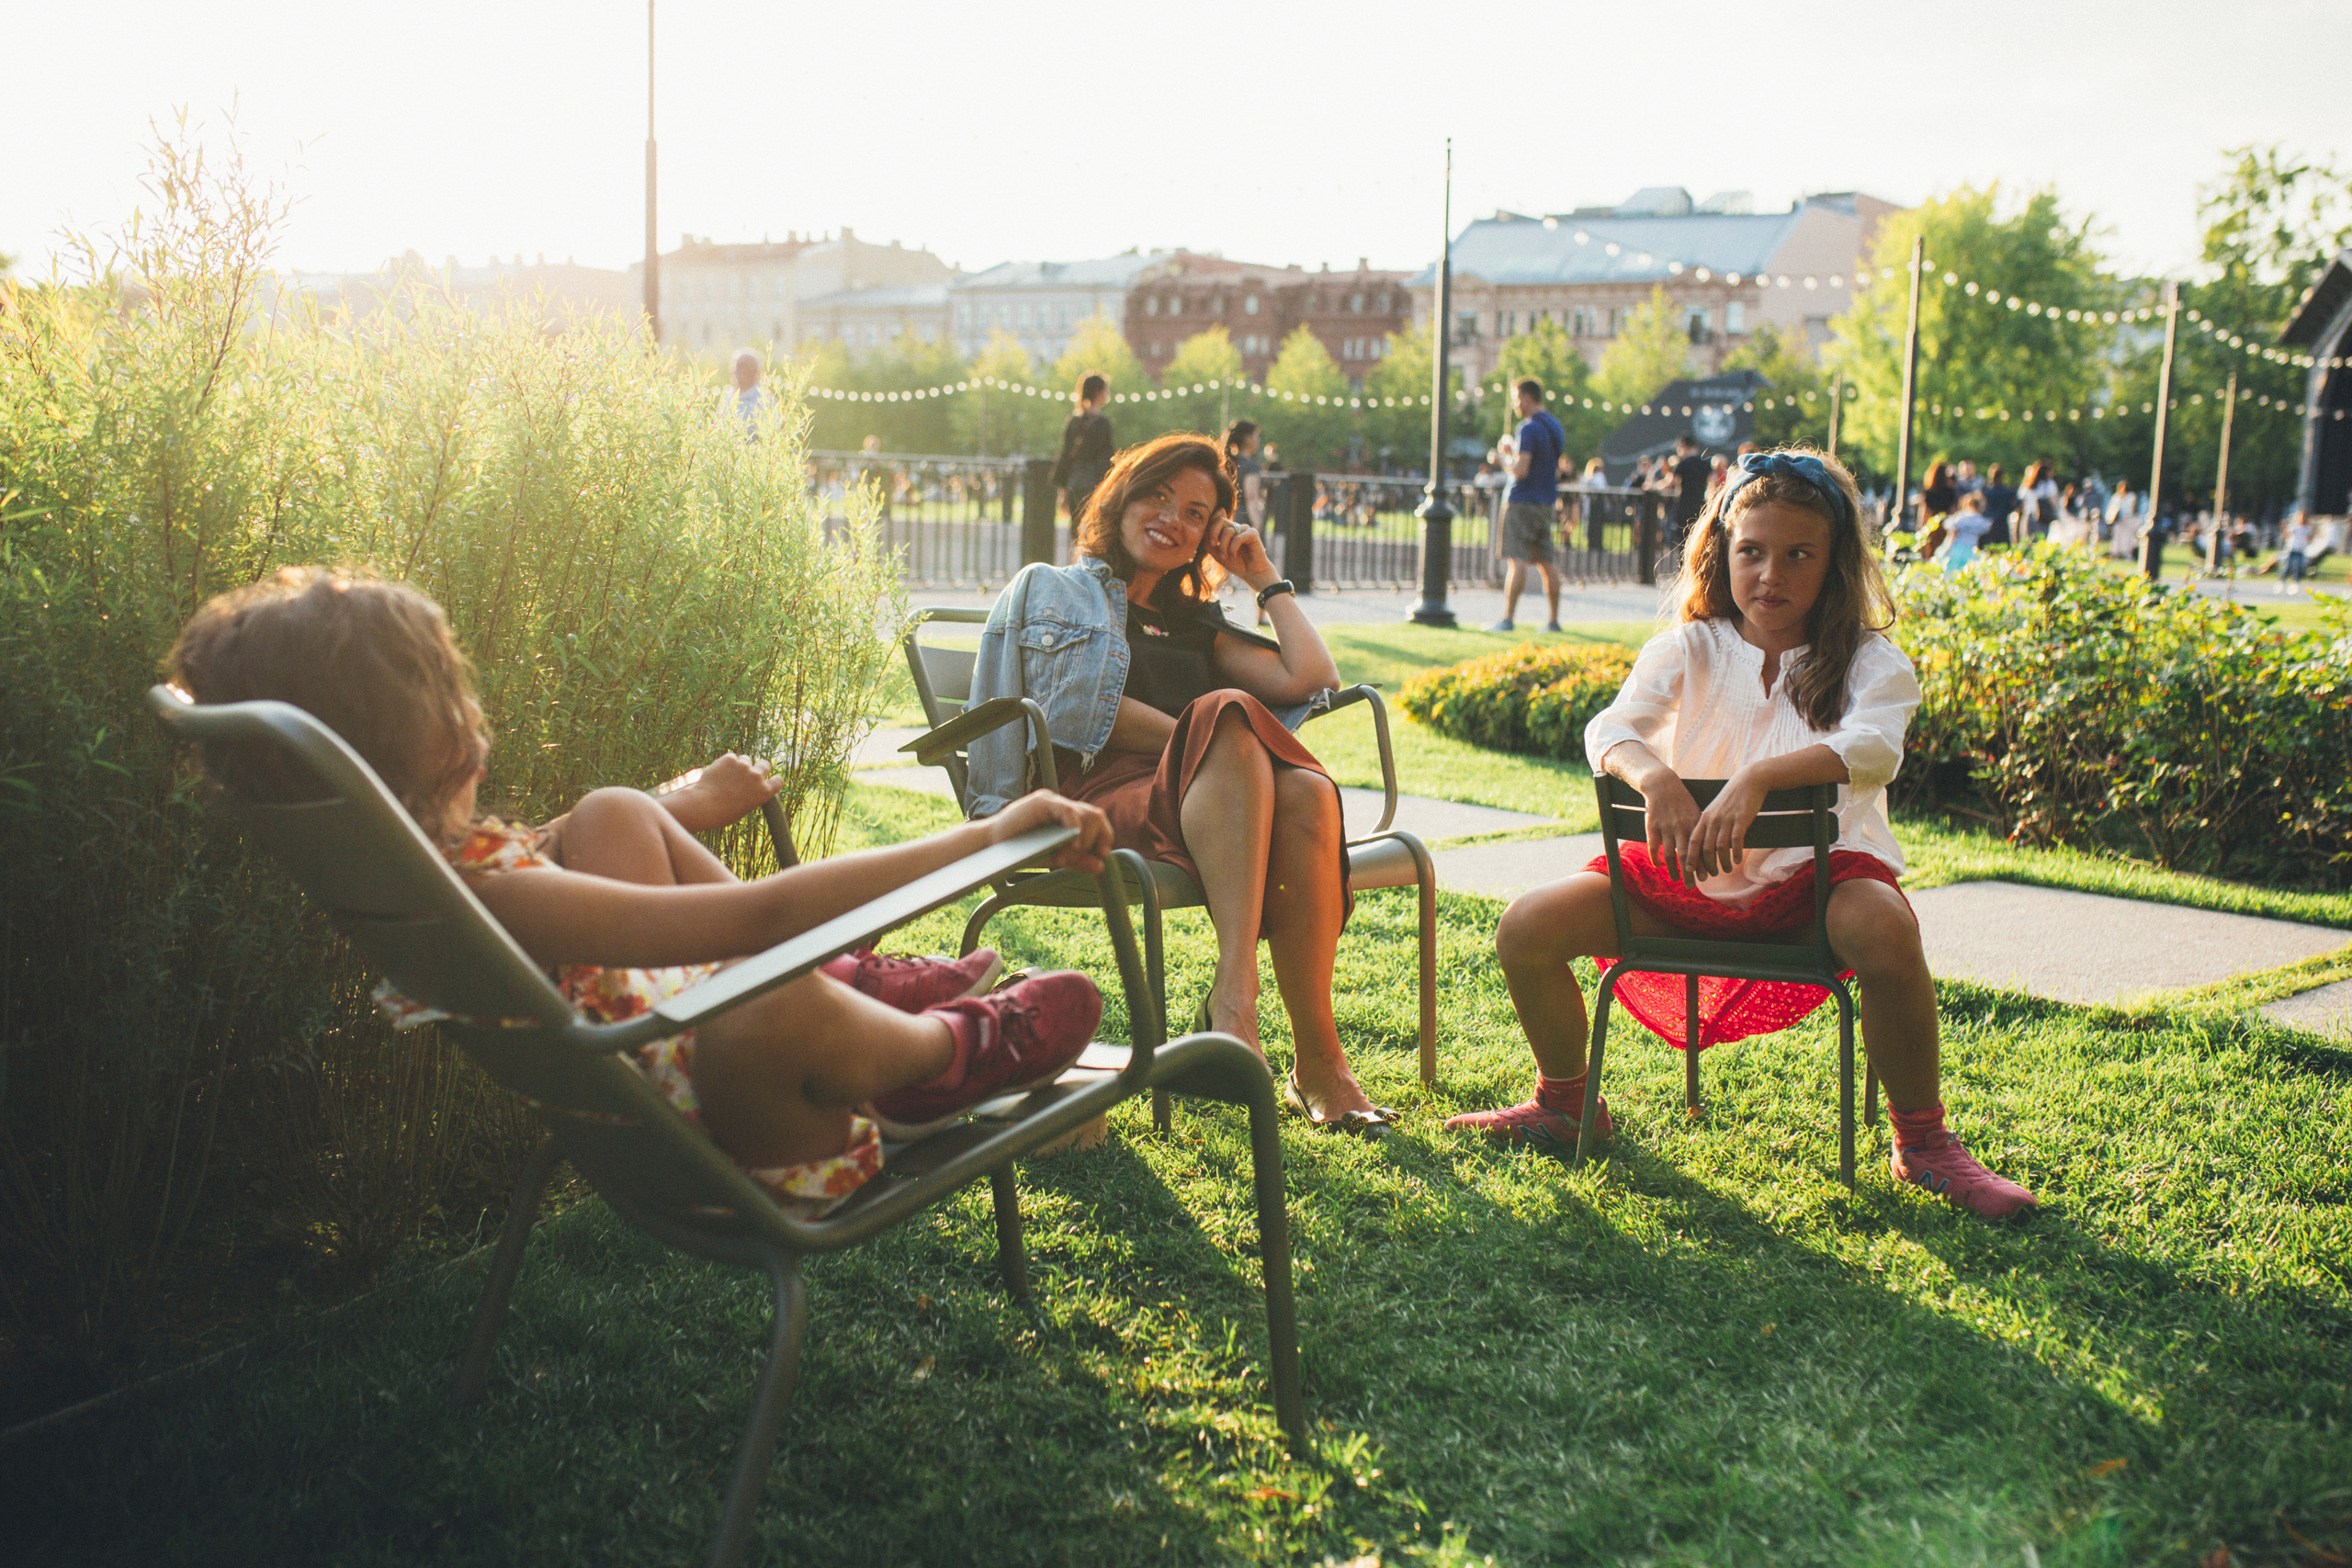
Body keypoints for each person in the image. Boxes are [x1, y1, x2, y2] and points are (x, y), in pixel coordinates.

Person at [166, 568, 1115, 1213]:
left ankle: (851, 992)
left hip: (680, 1073)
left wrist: (684, 802)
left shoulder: (428, 879)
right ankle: (932, 1059)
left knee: (610, 810)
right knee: (768, 991)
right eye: (449, 686)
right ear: (426, 735)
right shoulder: (497, 902)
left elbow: (565, 846)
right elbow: (755, 917)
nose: (471, 699)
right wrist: (980, 838)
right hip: (758, 1141)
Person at [1443, 447, 2037, 1221]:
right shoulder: (1690, 646)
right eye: (1751, 551)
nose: (1770, 575)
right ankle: (1567, 1104)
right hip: (1680, 884)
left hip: (1813, 891)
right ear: (1721, 553)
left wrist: (1757, 779)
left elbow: (1874, 749)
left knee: (1886, 926)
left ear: (1835, 565)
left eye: (1799, 555)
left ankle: (1923, 1143)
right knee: (1525, 927)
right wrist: (1653, 777)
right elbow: (1610, 728)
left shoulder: (1868, 661)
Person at [963, 434, 1393, 1135]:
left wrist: (1263, 578)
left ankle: (1319, 1061)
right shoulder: (1055, 589)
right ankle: (1234, 1002)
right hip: (1097, 798)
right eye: (1157, 495)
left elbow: (1313, 678)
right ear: (1122, 495)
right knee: (1225, 718)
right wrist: (1210, 742)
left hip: (1219, 795)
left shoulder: (1197, 625)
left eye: (1196, 513)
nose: (1172, 518)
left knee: (1307, 791)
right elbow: (1070, 708)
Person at [1491, 378, 1566, 634]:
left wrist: (1501, 459)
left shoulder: (1528, 428)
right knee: (1547, 562)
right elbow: (1541, 461)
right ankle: (1553, 621)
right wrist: (1514, 451)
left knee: (1517, 561)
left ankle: (1507, 619)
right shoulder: (1554, 426)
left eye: (1515, 398)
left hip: (1522, 501)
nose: (1514, 404)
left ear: (1526, 397)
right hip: (1546, 501)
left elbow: (1521, 470)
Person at [1053, 374, 1115, 546]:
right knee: (1094, 532)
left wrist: (1062, 492)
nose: (1107, 393)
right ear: (1098, 392)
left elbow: (1065, 456)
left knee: (1076, 531)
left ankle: (1076, 565)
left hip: (1074, 483)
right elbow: (1106, 458)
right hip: (1094, 483)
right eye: (1105, 389)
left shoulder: (1073, 421)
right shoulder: (1102, 423)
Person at [1669, 434, 1713, 560]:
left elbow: (1671, 483)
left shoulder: (1682, 464)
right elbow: (1714, 482)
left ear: (1683, 445)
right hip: (1700, 506)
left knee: (1683, 541)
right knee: (1699, 540)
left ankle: (1684, 569)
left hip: (1684, 507)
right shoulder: (1705, 463)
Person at [720, 349, 770, 440]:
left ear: (754, 371)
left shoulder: (763, 400)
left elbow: (770, 438)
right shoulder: (727, 396)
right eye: (734, 366)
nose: (735, 370)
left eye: (741, 366)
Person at [1938, 491, 1992, 570]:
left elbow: (1952, 532)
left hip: (1957, 547)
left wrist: (1947, 548)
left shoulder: (1961, 516)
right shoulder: (1980, 520)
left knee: (1952, 570)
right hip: (1971, 549)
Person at [2018, 459, 2061, 542]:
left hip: (2028, 516)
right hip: (2042, 517)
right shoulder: (2049, 484)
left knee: (2029, 541)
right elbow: (2054, 503)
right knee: (2041, 542)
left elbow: (2021, 499)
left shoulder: (2028, 485)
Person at [1979, 464, 2018, 547]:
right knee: (2003, 547)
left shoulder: (1986, 491)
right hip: (2002, 522)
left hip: (1988, 522)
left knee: (1987, 548)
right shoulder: (2008, 491)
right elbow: (2018, 504)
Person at [2104, 477, 2142, 561]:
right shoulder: (2116, 497)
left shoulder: (2131, 496)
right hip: (2119, 522)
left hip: (2129, 521)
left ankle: (2129, 555)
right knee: (2117, 538)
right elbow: (2111, 509)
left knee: (2128, 540)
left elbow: (2134, 509)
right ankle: (2115, 555)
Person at [1917, 460, 1958, 532]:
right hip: (1945, 523)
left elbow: (1924, 511)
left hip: (1931, 524)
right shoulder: (1950, 492)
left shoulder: (1928, 492)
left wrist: (1921, 526)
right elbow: (1953, 510)